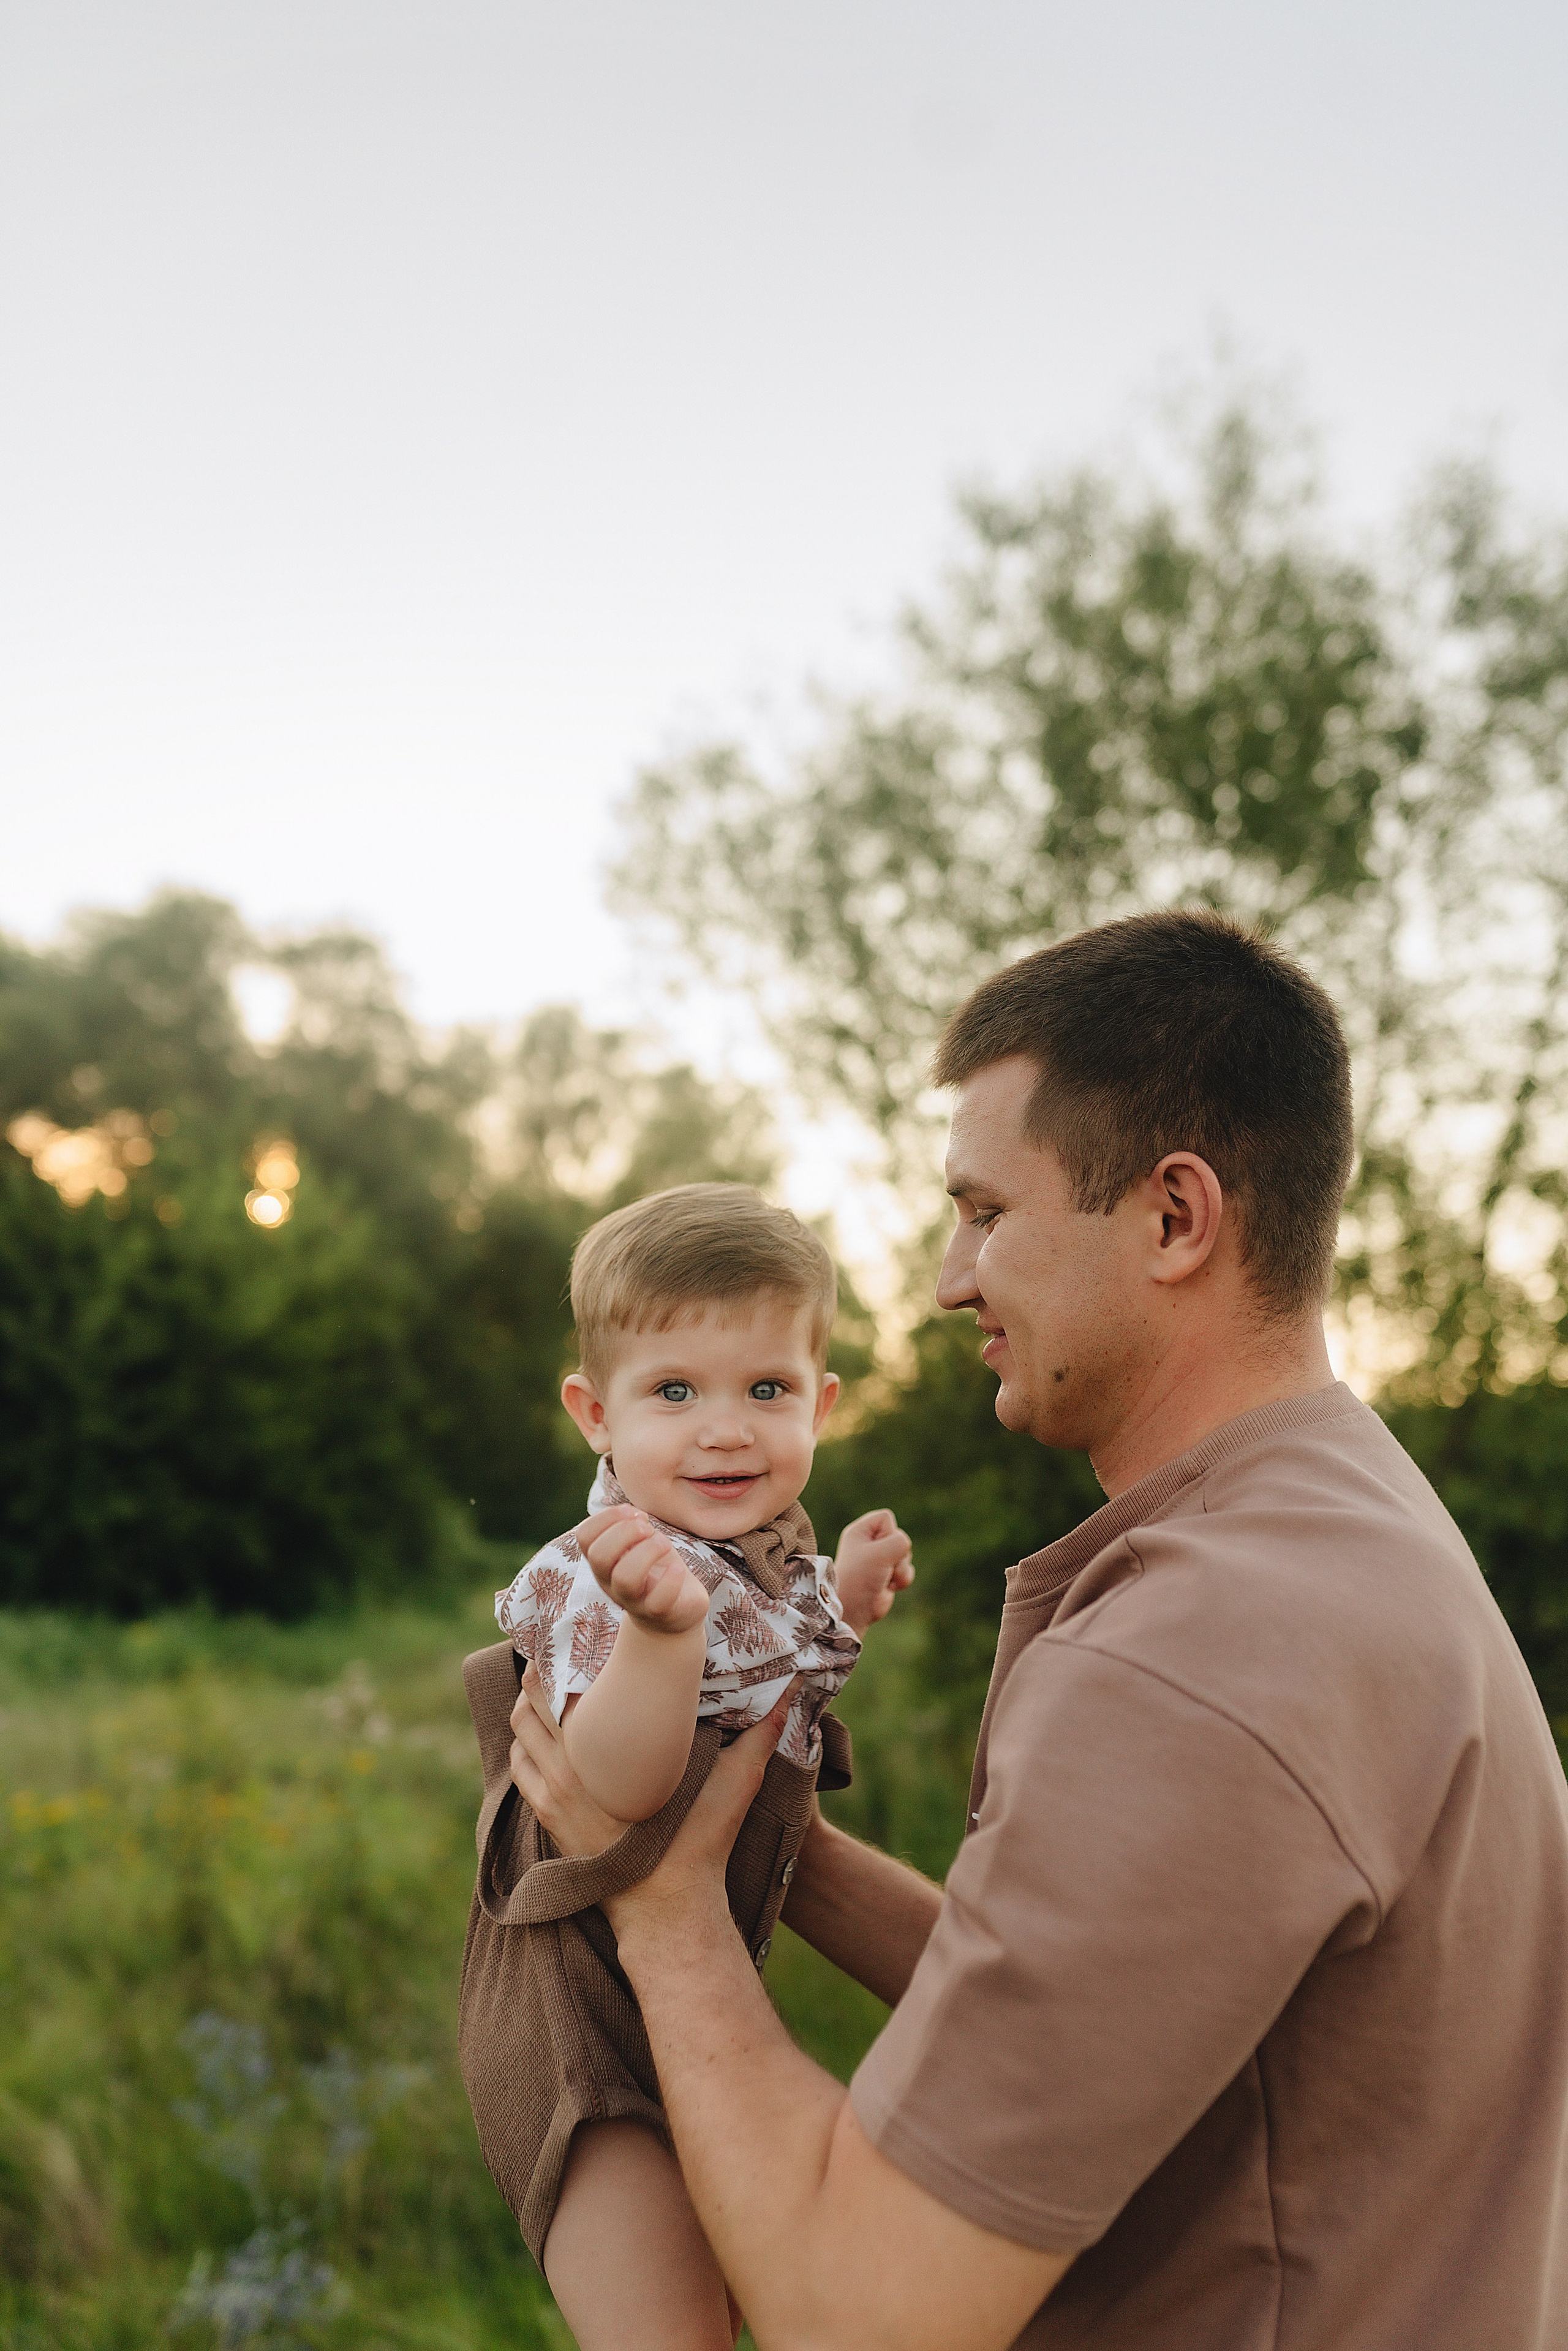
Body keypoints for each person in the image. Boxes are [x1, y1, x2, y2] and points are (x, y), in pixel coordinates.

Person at [510, 909, 1568, 2351]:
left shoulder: (1194, 1645)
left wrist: (658, 1904)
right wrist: (768, 1838)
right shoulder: (1352, 1522)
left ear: (1173, 1216)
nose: (950, 1278)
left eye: (986, 1212)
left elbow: (862, 2313)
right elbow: (1107, 2009)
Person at [457, 1183, 913, 2351]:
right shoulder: (607, 1570)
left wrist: (847, 1599)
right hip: (578, 2021)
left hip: (698, 1993)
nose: (726, 1429)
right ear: (595, 1414)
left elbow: (773, 1675)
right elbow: (615, 1792)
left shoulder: (755, 1558)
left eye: (767, 1389)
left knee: (746, 2302)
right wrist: (661, 1639)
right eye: (674, 1391)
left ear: (823, 1402)